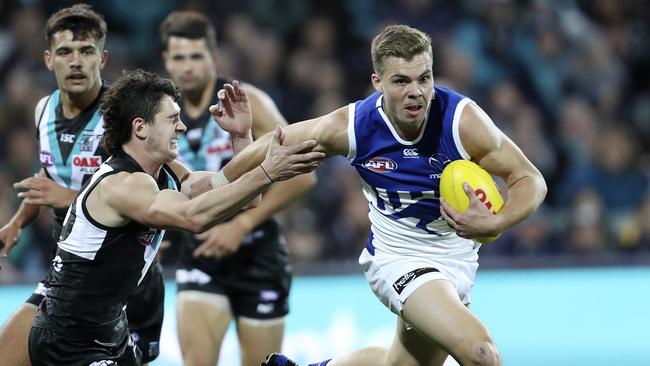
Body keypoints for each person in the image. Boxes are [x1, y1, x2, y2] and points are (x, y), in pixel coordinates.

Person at [218, 25, 547, 366]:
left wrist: (498, 220)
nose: (416, 92)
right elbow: (277, 141)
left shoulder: (460, 121)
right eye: (401, 81)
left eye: (424, 78)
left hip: (458, 259)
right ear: (378, 83)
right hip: (398, 257)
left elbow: (530, 179)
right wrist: (220, 179)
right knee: (482, 354)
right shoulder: (354, 127)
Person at [26, 69, 324, 365]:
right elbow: (194, 217)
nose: (181, 127)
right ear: (141, 128)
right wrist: (266, 172)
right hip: (69, 337)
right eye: (172, 119)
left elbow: (240, 195)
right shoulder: (121, 183)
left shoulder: (167, 172)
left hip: (108, 329)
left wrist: (241, 137)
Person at [159, 11, 316, 366]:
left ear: (214, 58)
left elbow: (304, 175)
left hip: (258, 256)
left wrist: (241, 225)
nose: (188, 67)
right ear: (166, 60)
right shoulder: (160, 113)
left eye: (196, 56)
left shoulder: (248, 103)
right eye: (179, 58)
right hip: (200, 255)